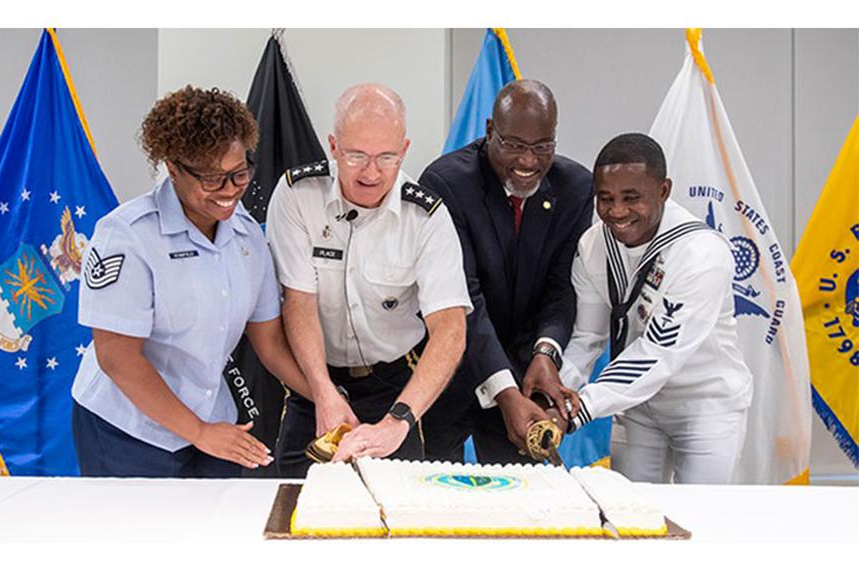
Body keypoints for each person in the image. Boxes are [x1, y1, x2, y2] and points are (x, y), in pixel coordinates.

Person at [71, 86, 312, 477]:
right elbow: (117, 357)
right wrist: (199, 432)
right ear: (172, 167)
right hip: (128, 427)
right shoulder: (127, 236)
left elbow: (268, 340)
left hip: (212, 418)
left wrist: (323, 396)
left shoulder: (248, 236)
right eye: (212, 180)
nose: (230, 191)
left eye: (239, 173)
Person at [266, 83, 470, 477]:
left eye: (387, 157)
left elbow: (450, 330)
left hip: (394, 386)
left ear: (405, 150)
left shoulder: (426, 217)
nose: (372, 172)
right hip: (313, 380)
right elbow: (299, 301)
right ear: (334, 147)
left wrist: (399, 421)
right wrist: (323, 392)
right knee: (295, 505)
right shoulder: (297, 195)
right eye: (357, 155)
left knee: (397, 515)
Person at [558, 132, 753, 484]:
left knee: (701, 521)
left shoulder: (701, 253)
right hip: (635, 407)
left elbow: (659, 353)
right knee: (633, 515)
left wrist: (579, 408)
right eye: (605, 198)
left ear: (663, 190)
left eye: (632, 198)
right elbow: (587, 336)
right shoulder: (593, 245)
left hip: (704, 405)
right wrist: (557, 396)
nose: (616, 212)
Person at [417, 79, 593, 464]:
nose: (529, 161)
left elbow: (562, 288)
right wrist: (503, 390)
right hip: (450, 374)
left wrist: (546, 353)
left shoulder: (577, 188)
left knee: (519, 506)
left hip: (525, 373)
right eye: (514, 145)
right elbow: (465, 296)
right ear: (489, 132)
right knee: (430, 500)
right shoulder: (446, 183)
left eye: (542, 146)